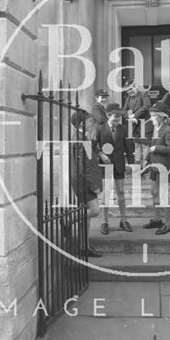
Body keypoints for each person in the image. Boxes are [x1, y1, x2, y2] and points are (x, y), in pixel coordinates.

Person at [95, 103, 134, 235]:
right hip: (104, 165)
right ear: (108, 115)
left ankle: (123, 220)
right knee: (106, 194)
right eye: (115, 116)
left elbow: (129, 147)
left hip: (119, 164)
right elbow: (93, 145)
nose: (117, 118)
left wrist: (131, 164)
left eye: (119, 116)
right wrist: (101, 154)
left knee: (121, 192)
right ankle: (104, 221)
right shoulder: (100, 128)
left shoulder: (123, 129)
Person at [70, 109, 103, 258]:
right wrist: (93, 185)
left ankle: (84, 247)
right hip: (83, 181)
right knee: (94, 211)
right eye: (89, 120)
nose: (92, 122)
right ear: (81, 123)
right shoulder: (79, 138)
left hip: (83, 179)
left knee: (87, 218)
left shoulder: (84, 136)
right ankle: (67, 221)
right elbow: (82, 165)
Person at [143, 101, 170, 235]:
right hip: (153, 166)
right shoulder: (155, 129)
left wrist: (156, 148)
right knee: (153, 192)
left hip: (163, 166)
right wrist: (146, 160)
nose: (151, 118)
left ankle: (168, 223)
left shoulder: (168, 130)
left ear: (161, 116)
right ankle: (157, 219)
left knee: (163, 195)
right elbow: (150, 146)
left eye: (153, 116)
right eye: (151, 116)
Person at [122, 79, 151, 168]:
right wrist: (129, 117)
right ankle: (137, 167)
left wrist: (134, 115)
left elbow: (146, 106)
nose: (129, 91)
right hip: (135, 125)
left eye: (131, 89)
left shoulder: (143, 94)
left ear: (135, 87)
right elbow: (124, 111)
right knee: (137, 145)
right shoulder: (128, 99)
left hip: (145, 123)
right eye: (127, 90)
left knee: (145, 144)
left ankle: (145, 166)